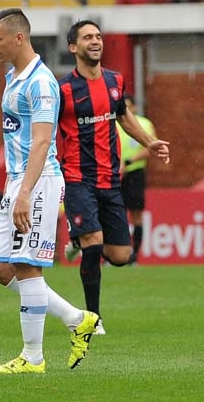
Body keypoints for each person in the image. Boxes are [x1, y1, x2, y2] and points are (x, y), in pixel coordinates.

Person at [0, 8, 99, 374]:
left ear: (19, 37)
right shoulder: (11, 75)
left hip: (38, 180)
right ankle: (77, 318)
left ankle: (32, 358)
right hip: (17, 180)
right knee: (2, 270)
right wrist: (12, 186)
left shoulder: (41, 82)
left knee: (27, 266)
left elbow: (40, 142)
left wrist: (24, 192)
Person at [60, 20, 170, 335]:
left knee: (120, 256)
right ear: (73, 47)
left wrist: (150, 143)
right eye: (87, 37)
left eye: (98, 36)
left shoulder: (115, 81)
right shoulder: (64, 89)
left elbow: (123, 116)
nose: (95, 41)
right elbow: (46, 129)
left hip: (111, 179)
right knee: (94, 244)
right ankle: (92, 319)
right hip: (78, 177)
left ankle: (77, 239)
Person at [118, 95, 156, 264]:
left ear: (133, 108)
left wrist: (128, 162)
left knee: (136, 214)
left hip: (134, 173)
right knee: (115, 213)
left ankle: (134, 255)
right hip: (114, 174)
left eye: (128, 106)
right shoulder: (114, 123)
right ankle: (114, 254)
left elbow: (151, 148)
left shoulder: (145, 124)